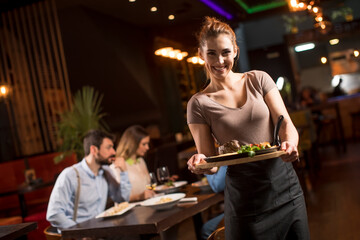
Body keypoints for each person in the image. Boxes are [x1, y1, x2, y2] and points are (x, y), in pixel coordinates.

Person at [187, 17, 310, 239]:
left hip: (285, 188)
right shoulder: (198, 104)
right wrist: (200, 163)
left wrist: (290, 143)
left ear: (235, 50)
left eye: (225, 52)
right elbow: (211, 162)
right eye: (212, 53)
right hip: (245, 200)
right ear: (200, 54)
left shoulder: (259, 80)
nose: (220, 60)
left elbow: (286, 124)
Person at [46, 129, 131, 230]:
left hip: (101, 230)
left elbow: (122, 200)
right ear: (94, 150)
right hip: (79, 235)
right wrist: (79, 232)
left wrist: (124, 172)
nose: (114, 152)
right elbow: (54, 214)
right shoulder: (70, 175)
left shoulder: (106, 172)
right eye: (109, 148)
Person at [110, 125, 156, 202]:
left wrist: (162, 187)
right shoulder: (116, 167)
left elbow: (147, 188)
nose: (147, 147)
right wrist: (140, 196)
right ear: (133, 144)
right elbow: (120, 199)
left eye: (147, 144)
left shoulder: (141, 161)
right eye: (144, 144)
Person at [201, 166, 227, 240]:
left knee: (207, 229)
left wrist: (206, 168)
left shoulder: (228, 155)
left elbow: (217, 185)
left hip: (247, 209)